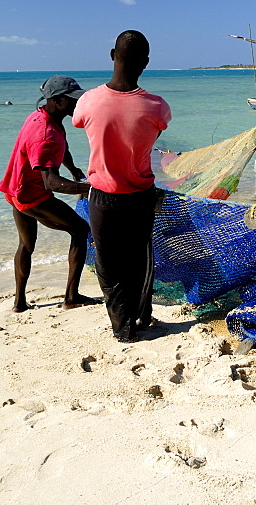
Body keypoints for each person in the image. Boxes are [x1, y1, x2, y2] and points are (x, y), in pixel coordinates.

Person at [73, 30, 172, 342]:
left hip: (101, 195)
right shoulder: (157, 107)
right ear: (145, 63)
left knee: (107, 263)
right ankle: (137, 315)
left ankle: (122, 323)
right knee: (138, 260)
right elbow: (152, 137)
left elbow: (81, 123)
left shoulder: (87, 101)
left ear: (112, 55)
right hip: (140, 195)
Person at [0, 75, 95, 313]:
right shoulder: (45, 133)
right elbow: (51, 182)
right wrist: (93, 188)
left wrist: (73, 170)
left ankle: (19, 302)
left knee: (26, 244)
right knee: (81, 230)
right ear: (58, 100)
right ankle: (71, 297)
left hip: (15, 190)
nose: (77, 105)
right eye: (73, 101)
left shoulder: (42, 117)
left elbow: (62, 146)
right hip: (33, 196)